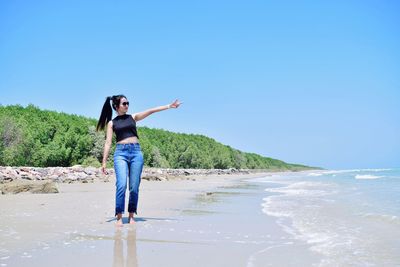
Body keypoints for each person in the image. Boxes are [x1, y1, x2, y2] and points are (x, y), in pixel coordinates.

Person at [96, 94, 182, 226]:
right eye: (124, 103)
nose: (127, 105)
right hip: (120, 154)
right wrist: (104, 162)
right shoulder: (112, 123)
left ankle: (131, 215)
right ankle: (119, 216)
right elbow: (108, 143)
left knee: (134, 187)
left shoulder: (133, 117)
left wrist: (169, 106)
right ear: (116, 106)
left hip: (136, 153)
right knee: (121, 185)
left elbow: (151, 110)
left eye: (127, 103)